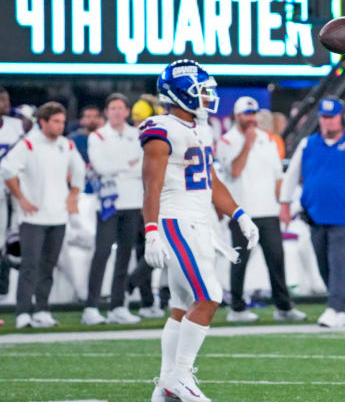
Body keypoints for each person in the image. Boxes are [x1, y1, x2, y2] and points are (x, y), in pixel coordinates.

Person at [142, 59, 260, 402]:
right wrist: (151, 230)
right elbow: (151, 187)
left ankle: (165, 384)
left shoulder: (200, 129)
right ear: (179, 94)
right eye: (200, 91)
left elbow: (209, 180)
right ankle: (180, 378)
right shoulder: (160, 128)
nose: (208, 97)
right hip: (175, 221)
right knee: (209, 295)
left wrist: (238, 213)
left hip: (199, 222)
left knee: (182, 305)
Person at [279, 97, 345, 328]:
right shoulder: (308, 144)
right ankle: (338, 305)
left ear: (341, 119)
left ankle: (333, 308)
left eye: (331, 117)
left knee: (339, 262)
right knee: (323, 262)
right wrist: (285, 203)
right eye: (324, 117)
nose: (327, 122)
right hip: (315, 214)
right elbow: (291, 176)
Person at [218, 96, 306, 323]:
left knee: (276, 259)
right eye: (246, 114)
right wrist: (247, 143)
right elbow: (234, 171)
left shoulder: (268, 140)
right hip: (242, 212)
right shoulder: (227, 141)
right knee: (240, 261)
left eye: (253, 113)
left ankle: (284, 307)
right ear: (237, 116)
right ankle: (236, 308)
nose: (251, 118)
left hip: (268, 210)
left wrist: (282, 203)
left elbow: (278, 177)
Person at [1, 101, 85, 328]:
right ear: (43, 122)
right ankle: (22, 313)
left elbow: (79, 170)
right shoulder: (28, 144)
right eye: (56, 121)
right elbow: (7, 169)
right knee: (30, 265)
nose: (60, 126)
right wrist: (21, 198)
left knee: (48, 266)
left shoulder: (66, 145)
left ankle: (42, 310)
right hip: (32, 218)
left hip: (58, 216)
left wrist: (73, 195)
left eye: (62, 122)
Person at [82, 93, 153, 325]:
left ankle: (117, 305)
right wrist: (127, 165)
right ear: (107, 111)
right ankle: (91, 306)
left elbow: (144, 165)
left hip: (133, 201)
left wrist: (122, 167)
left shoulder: (137, 135)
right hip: (109, 201)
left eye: (121, 108)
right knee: (102, 252)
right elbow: (101, 166)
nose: (116, 112)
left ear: (126, 111)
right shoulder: (98, 136)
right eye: (112, 108)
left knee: (125, 254)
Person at [0, 100, 26, 298]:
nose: (5, 104)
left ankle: (4, 291)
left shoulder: (15, 125)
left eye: (7, 100)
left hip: (12, 190)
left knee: (7, 240)